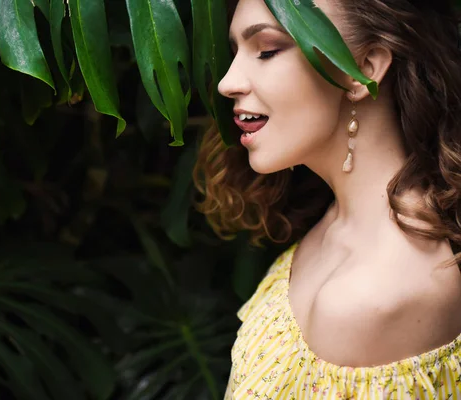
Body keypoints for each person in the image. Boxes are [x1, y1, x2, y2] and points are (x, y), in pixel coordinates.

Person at [194, 0, 461, 398]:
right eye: (236, 53)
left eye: (267, 50)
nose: (227, 82)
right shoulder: (338, 222)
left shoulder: (372, 296)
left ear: (365, 69)